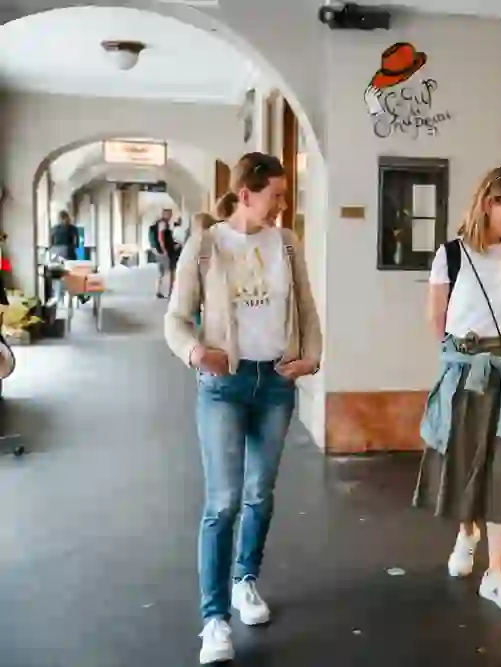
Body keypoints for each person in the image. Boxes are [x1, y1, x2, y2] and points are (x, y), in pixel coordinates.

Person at [163, 152, 322, 665]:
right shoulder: (207, 246)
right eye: (275, 195)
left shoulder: (289, 244)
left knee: (259, 493)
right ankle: (213, 620)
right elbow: (176, 318)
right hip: (224, 385)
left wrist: (311, 358)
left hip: (275, 382)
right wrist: (194, 352)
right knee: (223, 501)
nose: (282, 205)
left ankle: (244, 580)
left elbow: (307, 308)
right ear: (246, 194)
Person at [413, 167, 501, 614]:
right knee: (467, 463)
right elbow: (437, 322)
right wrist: (474, 351)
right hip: (468, 373)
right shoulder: (450, 256)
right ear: (490, 203)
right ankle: (467, 531)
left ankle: (497, 572)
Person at [150, 208, 177, 299]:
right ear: (164, 214)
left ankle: (158, 291)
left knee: (161, 272)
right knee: (169, 271)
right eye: (169, 214)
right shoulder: (163, 223)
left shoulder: (158, 223)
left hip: (160, 251)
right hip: (165, 251)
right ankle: (169, 291)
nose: (170, 216)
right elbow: (161, 236)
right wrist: (164, 249)